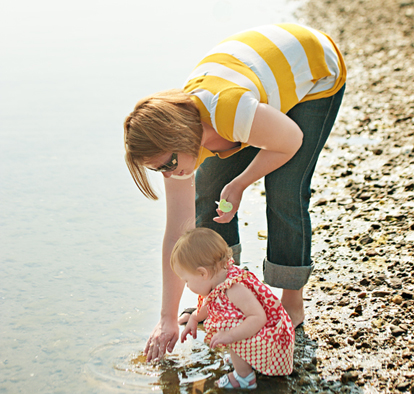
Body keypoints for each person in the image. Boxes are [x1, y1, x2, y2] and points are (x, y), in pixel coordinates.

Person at [124, 23, 346, 361]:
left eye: (169, 163)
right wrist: (166, 318)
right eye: (159, 170)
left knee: (285, 189)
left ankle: (293, 303)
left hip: (314, 70)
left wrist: (241, 182)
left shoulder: (229, 111)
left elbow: (291, 141)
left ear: (179, 135)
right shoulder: (171, 151)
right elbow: (177, 232)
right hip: (254, 90)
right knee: (210, 194)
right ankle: (224, 296)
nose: (169, 174)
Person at [173, 227, 294, 389]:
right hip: (263, 335)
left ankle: (245, 378)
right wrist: (194, 318)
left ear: (203, 274)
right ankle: (243, 358)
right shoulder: (218, 279)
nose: (187, 286)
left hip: (274, 340)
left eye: (186, 280)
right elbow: (209, 303)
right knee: (228, 326)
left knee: (230, 327)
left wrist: (230, 336)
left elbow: (259, 318)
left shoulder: (234, 288)